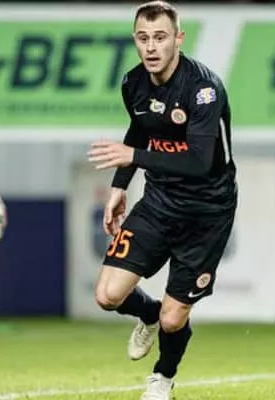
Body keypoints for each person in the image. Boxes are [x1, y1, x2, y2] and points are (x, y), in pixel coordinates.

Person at [86, 1, 238, 399]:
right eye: (143, 38)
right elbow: (140, 129)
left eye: (160, 37)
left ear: (178, 39)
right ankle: (147, 314)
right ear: (135, 40)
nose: (151, 47)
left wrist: (132, 157)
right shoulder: (133, 83)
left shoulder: (203, 90)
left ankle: (162, 378)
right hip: (159, 201)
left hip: (207, 211)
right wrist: (120, 186)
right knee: (107, 296)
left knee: (175, 319)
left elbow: (199, 162)